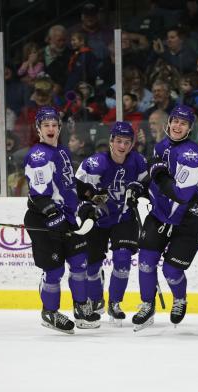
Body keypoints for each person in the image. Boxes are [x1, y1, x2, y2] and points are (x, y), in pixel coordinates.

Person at [129, 105, 198, 331]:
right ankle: (147, 305)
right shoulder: (161, 146)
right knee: (145, 260)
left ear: (190, 128)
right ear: (169, 122)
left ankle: (180, 299)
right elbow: (154, 177)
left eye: (183, 123)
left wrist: (160, 173)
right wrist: (139, 186)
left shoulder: (192, 154)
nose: (177, 125)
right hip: (161, 212)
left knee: (171, 271)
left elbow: (181, 194)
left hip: (187, 217)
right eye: (175, 121)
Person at [24, 106, 100, 334]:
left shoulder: (63, 152)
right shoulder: (38, 156)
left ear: (59, 128)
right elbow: (38, 194)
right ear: (38, 128)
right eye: (46, 125)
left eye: (54, 125)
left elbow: (68, 183)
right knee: (54, 271)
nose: (50, 129)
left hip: (64, 216)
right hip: (43, 218)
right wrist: (51, 214)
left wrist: (88, 193)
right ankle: (50, 312)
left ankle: (80, 307)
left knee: (79, 262)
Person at [74, 121, 148, 324]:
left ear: (132, 144)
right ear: (110, 141)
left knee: (123, 259)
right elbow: (76, 190)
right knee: (91, 265)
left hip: (124, 217)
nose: (122, 146)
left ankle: (115, 303)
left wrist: (140, 191)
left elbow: (148, 185)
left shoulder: (138, 162)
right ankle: (96, 299)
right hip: (98, 220)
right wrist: (86, 209)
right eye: (118, 141)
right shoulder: (95, 163)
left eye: (127, 142)